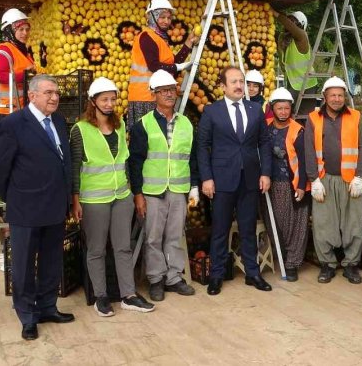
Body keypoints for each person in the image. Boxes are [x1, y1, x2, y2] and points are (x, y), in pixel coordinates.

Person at [0, 74, 74, 341]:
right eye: (48, 92)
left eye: (57, 93)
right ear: (32, 95)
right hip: (25, 208)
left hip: (54, 206)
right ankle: (27, 316)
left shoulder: (59, 121)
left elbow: (65, 162)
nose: (54, 97)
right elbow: (1, 168)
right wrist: (14, 198)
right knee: (24, 266)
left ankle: (48, 307)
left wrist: (69, 197)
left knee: (52, 261)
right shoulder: (14, 124)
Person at [70, 77, 155, 317]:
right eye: (104, 99)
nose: (109, 103)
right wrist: (75, 199)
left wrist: (132, 193)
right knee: (96, 249)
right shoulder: (80, 129)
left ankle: (128, 295)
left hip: (121, 196)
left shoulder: (119, 126)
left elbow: (125, 162)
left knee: (123, 247)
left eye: (112, 98)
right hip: (94, 199)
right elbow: (75, 167)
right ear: (93, 102)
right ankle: (101, 297)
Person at [197, 66, 272, 296]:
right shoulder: (212, 111)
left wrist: (265, 173)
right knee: (220, 229)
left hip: (250, 179)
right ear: (223, 86)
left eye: (241, 81)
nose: (239, 86)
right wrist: (207, 178)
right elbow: (202, 146)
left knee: (248, 228)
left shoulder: (255, 110)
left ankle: (253, 273)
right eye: (234, 82)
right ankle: (216, 275)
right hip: (221, 181)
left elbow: (264, 143)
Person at [127, 70, 200, 301]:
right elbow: (135, 162)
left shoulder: (186, 124)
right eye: (164, 91)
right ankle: (156, 279)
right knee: (153, 237)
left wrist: (195, 186)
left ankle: (174, 277)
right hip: (153, 191)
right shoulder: (143, 125)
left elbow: (193, 157)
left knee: (175, 235)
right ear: (153, 95)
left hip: (178, 189)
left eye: (172, 89)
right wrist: (138, 194)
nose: (170, 94)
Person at [305, 76, 362, 284]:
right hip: (324, 179)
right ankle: (328, 265)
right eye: (333, 95)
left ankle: (351, 265)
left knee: (354, 223)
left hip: (350, 180)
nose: (337, 99)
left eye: (340, 95)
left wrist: (359, 176)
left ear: (345, 97)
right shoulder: (313, 119)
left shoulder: (356, 117)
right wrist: (313, 180)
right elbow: (309, 151)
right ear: (325, 97)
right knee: (323, 224)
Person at [127, 0, 199, 128]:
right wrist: (178, 67)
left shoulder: (159, 39)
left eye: (169, 18)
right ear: (152, 17)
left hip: (157, 96)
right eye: (162, 17)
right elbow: (154, 66)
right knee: (145, 138)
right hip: (145, 97)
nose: (166, 21)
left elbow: (172, 63)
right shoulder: (146, 37)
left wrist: (188, 44)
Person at [263, 87, 309, 282]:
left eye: (286, 108)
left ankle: (292, 264)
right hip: (270, 184)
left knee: (295, 225)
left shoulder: (298, 130)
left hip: (292, 184)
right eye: (279, 108)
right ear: (273, 108)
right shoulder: (265, 127)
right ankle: (282, 257)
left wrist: (301, 185)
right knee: (278, 224)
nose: (283, 112)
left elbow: (306, 160)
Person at [0, 8, 35, 124]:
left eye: (27, 29)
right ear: (9, 31)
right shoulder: (4, 49)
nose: (25, 33)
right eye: (21, 29)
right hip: (6, 111)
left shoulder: (24, 52)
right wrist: (26, 74)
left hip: (20, 108)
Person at [274, 11, 317, 112]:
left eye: (292, 21)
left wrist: (275, 14)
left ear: (300, 25)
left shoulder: (302, 37)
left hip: (307, 85)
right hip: (293, 84)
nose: (288, 24)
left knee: (305, 117)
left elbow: (289, 26)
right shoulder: (286, 42)